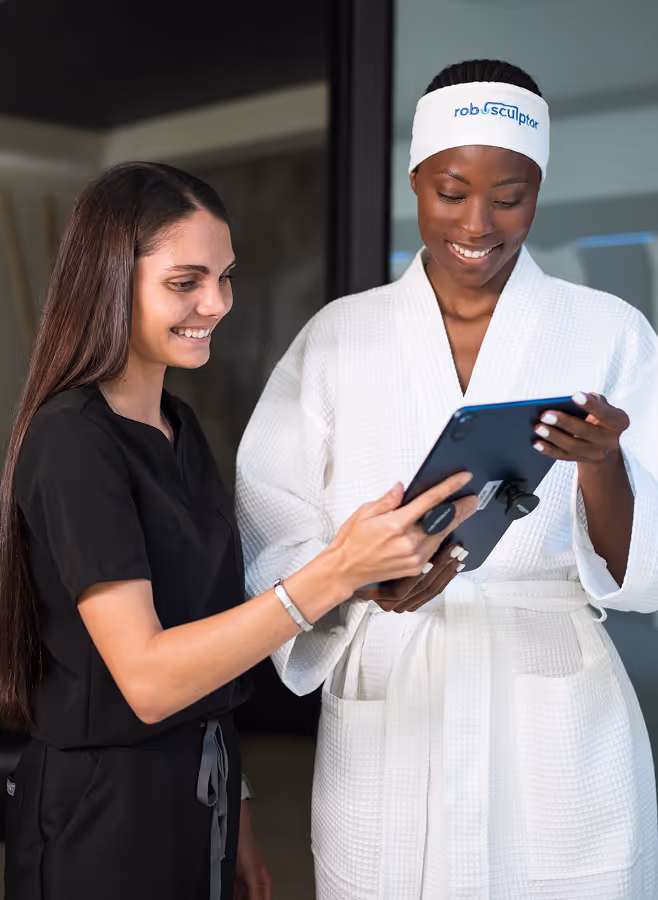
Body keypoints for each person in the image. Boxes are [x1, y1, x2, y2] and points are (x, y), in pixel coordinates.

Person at [236, 60, 658, 899]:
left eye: (511, 196)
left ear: (538, 190)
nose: (479, 221)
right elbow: (271, 528)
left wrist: (603, 462)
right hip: (394, 700)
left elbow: (640, 570)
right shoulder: (338, 339)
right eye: (452, 190)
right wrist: (362, 584)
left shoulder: (608, 331)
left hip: (557, 719)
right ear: (416, 181)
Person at [0, 162, 477, 900]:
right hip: (100, 817)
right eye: (185, 281)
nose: (217, 303)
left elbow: (212, 629)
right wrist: (335, 570)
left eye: (225, 277)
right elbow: (152, 681)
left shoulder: (178, 428)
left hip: (205, 794)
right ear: (107, 278)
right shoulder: (71, 442)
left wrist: (239, 811)